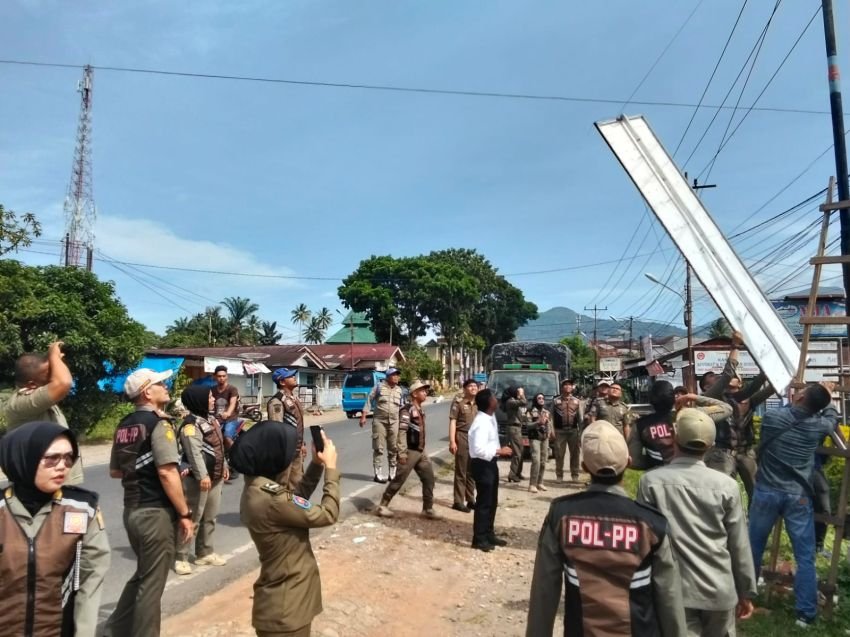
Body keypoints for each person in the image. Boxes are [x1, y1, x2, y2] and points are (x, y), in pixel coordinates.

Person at [526, 420, 687, 636]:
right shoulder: (651, 523)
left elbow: (544, 590)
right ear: (628, 463)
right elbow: (669, 597)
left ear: (585, 467)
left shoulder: (561, 516)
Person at [637, 408, 756, 636]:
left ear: (674, 438)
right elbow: (738, 544)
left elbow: (644, 543)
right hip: (720, 590)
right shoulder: (727, 486)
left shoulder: (651, 482)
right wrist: (746, 591)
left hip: (674, 592)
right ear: (711, 445)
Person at [104, 369, 194, 637]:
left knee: (144, 575)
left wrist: (141, 469)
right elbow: (167, 473)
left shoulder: (125, 424)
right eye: (160, 383)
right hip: (155, 512)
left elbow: (115, 471)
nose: (166, 386)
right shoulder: (159, 424)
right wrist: (185, 513)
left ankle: (115, 630)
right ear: (147, 392)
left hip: (132, 510)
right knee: (152, 585)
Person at [0, 421, 110, 637]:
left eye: (69, 458)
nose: (62, 466)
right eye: (52, 458)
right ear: (23, 458)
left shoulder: (82, 508)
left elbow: (91, 579)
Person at [232, 420, 340, 637]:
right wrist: (331, 469)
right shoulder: (272, 499)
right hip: (287, 610)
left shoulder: (256, 487)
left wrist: (316, 464)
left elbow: (294, 501)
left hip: (280, 604)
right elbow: (328, 513)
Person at [748, 382, 843, 628]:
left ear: (800, 397)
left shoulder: (772, 418)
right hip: (798, 495)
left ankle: (745, 597)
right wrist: (828, 397)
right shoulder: (819, 425)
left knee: (753, 547)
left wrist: (819, 395)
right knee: (805, 556)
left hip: (766, 491)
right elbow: (832, 418)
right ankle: (805, 614)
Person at [3, 341, 84, 484]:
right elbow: (63, 383)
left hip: (56, 479)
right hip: (38, 485)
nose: (54, 374)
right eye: (48, 373)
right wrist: (53, 355)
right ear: (32, 384)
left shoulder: (39, 396)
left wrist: (54, 360)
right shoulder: (22, 402)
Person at [174, 385, 228, 575]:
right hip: (199, 479)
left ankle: (205, 552)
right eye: (210, 397)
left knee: (210, 517)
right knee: (193, 518)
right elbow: (193, 453)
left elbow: (219, 446)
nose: (213, 400)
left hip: (215, 476)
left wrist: (224, 466)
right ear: (199, 400)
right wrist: (202, 475)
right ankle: (181, 557)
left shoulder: (211, 419)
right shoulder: (190, 425)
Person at [705, 372, 775, 502]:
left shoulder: (750, 400)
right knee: (721, 493)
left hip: (746, 452)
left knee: (756, 492)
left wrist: (780, 375)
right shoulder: (716, 399)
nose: (732, 377)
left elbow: (771, 389)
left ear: (740, 383)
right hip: (723, 453)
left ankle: (755, 515)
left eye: (735, 376)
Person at [631, 380, 733, 469]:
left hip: (657, 475)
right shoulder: (692, 415)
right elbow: (727, 408)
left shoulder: (640, 425)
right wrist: (693, 397)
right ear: (673, 398)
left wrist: (654, 463)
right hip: (692, 470)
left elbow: (634, 461)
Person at [375, 381, 437, 519]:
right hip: (409, 451)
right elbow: (402, 432)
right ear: (414, 394)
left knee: (429, 478)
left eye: (425, 391)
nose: (425, 393)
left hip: (420, 451)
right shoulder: (407, 410)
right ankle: (383, 505)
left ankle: (428, 509)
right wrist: (402, 453)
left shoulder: (420, 409)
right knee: (399, 479)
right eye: (422, 391)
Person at [468, 388, 513, 552]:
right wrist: (500, 451)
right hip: (482, 464)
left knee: (492, 501)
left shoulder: (490, 416)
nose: (497, 400)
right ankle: (479, 538)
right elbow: (478, 449)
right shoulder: (481, 422)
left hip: (490, 463)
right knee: (484, 502)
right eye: (494, 398)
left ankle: (488, 533)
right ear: (488, 402)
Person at [360, 368, 404, 483]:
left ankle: (392, 473)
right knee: (378, 448)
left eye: (398, 375)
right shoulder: (379, 387)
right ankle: (378, 474)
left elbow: (401, 407)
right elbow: (369, 400)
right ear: (388, 377)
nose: (397, 377)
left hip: (394, 422)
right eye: (394, 375)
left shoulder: (399, 390)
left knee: (394, 448)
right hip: (380, 421)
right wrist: (364, 416)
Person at [267, 367, 307, 490]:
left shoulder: (294, 398)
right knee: (281, 484)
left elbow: (298, 424)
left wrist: (302, 444)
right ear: (282, 382)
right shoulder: (277, 401)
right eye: (290, 376)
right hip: (285, 451)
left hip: (296, 448)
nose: (294, 378)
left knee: (297, 483)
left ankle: (292, 503)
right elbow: (276, 428)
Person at [449, 378, 478, 512]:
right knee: (461, 471)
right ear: (465, 389)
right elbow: (453, 422)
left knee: (472, 471)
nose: (473, 388)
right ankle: (458, 501)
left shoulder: (478, 403)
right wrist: (452, 441)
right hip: (462, 437)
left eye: (475, 386)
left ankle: (470, 499)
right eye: (470, 386)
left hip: (475, 439)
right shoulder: (458, 403)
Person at [551, 378, 584, 483]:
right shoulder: (555, 401)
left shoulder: (577, 401)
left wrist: (581, 433)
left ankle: (575, 475)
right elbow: (551, 417)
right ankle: (559, 475)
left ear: (572, 387)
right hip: (559, 431)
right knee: (559, 454)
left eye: (570, 384)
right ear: (562, 387)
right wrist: (551, 430)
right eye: (565, 385)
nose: (568, 386)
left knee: (575, 454)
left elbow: (580, 419)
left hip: (573, 431)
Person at [527, 392, 552, 494]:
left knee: (543, 461)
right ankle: (532, 484)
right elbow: (527, 425)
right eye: (539, 398)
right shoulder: (530, 411)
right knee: (536, 461)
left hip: (544, 438)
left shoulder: (546, 411)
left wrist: (549, 433)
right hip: (534, 438)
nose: (541, 400)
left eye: (542, 398)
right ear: (535, 400)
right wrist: (538, 422)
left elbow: (549, 424)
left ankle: (540, 482)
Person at [502, 386, 526, 483]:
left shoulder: (513, 401)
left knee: (521, 451)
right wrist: (521, 394)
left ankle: (517, 472)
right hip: (514, 428)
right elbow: (524, 402)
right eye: (517, 391)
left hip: (517, 428)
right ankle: (512, 474)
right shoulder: (510, 401)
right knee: (517, 452)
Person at [212, 365, 241, 446]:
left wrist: (228, 413)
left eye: (224, 376)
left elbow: (232, 403)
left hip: (230, 419)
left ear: (227, 376)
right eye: (219, 376)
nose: (222, 378)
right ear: (215, 377)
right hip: (217, 419)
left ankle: (236, 453)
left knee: (227, 437)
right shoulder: (212, 389)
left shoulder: (232, 389)